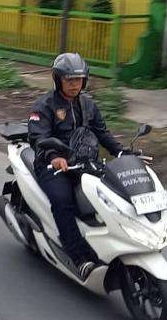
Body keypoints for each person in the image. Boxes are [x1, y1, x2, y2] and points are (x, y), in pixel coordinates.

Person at [27, 53, 124, 280]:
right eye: (69, 80)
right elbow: (38, 138)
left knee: (108, 197)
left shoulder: (88, 105)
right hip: (53, 166)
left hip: (84, 162)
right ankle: (78, 257)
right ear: (58, 79)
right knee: (63, 200)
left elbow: (102, 133)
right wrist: (53, 156)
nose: (74, 84)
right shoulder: (45, 105)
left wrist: (122, 152)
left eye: (78, 80)